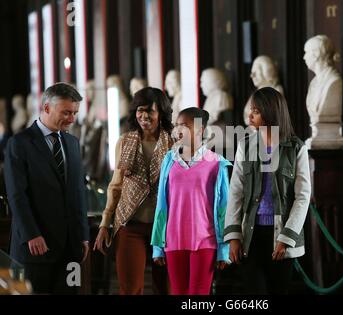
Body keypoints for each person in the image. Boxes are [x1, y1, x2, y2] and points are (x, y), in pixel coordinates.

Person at [4, 82, 90, 294]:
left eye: (75, 113)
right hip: (34, 246)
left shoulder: (72, 143)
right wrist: (31, 234)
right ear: (47, 108)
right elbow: (17, 195)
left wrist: (83, 235)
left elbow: (78, 192)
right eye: (66, 112)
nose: (71, 119)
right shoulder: (19, 143)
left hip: (71, 248)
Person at [224, 87, 311, 294]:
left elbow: (302, 197)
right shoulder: (245, 146)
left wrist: (285, 238)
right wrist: (233, 236)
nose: (250, 115)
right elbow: (235, 191)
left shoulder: (296, 148)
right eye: (251, 110)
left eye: (256, 111)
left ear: (270, 112)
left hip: (281, 236)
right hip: (250, 235)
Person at [93, 87, 173, 295]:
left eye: (150, 111)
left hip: (165, 226)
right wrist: (105, 223)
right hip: (130, 225)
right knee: (130, 289)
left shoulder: (173, 143)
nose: (144, 116)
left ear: (161, 113)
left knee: (166, 288)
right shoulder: (124, 141)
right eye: (140, 110)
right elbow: (116, 185)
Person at [151, 107, 231, 295]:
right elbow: (161, 205)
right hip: (173, 240)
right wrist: (157, 246)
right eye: (177, 125)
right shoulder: (168, 160)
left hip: (205, 241)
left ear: (200, 129)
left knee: (198, 295)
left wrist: (224, 250)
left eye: (184, 126)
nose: (178, 130)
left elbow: (223, 209)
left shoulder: (217, 163)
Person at [303, 35, 343, 149]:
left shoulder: (334, 81)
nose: (304, 57)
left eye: (306, 52)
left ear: (316, 54)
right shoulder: (314, 83)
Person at [243, 55, 284, 126]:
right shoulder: (256, 93)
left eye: (255, 73)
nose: (252, 76)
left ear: (266, 72)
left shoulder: (276, 91)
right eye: (252, 73)